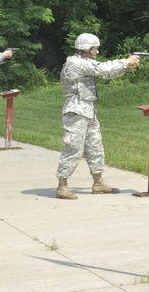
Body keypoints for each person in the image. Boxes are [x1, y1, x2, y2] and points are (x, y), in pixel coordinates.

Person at [55, 33, 141, 200]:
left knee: (95, 147)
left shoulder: (85, 62)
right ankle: (62, 186)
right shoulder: (75, 63)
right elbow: (101, 69)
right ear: (87, 49)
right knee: (73, 147)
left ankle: (99, 182)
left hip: (88, 110)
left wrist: (127, 66)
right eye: (95, 48)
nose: (98, 51)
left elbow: (108, 73)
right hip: (77, 110)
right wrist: (125, 61)